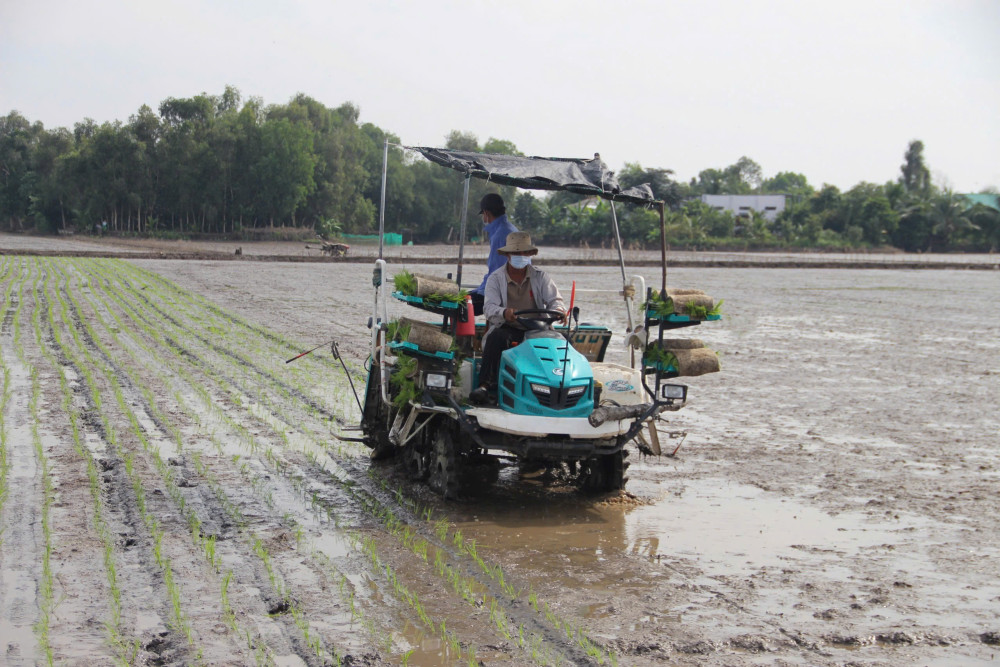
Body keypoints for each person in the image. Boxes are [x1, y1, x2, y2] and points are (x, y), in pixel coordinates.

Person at [470, 231, 565, 405]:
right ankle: (485, 386)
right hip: (509, 326)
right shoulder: (495, 279)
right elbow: (489, 308)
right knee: (496, 338)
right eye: (516, 253)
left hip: (538, 329)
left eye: (524, 253)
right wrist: (504, 313)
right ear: (507, 255)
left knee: (563, 343)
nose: (521, 256)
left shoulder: (540, 276)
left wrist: (559, 310)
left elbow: (555, 300)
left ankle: (561, 386)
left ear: (530, 255)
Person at [469, 193, 517, 316]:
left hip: (502, 293)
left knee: (461, 307)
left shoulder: (500, 234)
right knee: (466, 299)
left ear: (486, 213)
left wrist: (479, 292)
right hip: (509, 289)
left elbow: (495, 273)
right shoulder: (510, 229)